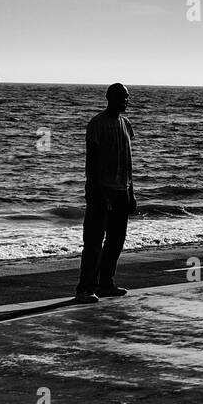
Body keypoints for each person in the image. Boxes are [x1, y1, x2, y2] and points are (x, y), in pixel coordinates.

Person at [75, 83, 137, 303]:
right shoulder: (97, 124)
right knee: (93, 241)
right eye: (123, 97)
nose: (126, 101)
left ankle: (106, 284)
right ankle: (85, 288)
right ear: (110, 98)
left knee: (116, 241)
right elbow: (91, 162)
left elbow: (128, 162)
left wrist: (131, 192)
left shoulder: (126, 124)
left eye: (127, 98)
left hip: (122, 191)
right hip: (100, 192)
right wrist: (97, 191)